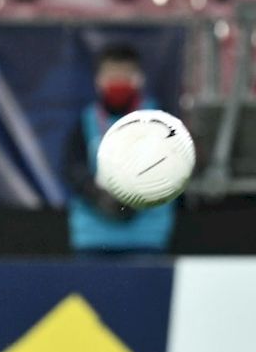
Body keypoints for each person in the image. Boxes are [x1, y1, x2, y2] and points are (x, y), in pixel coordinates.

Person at [66, 44, 175, 252]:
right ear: (98, 80)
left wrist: (140, 196)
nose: (118, 81)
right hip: (93, 238)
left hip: (147, 238)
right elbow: (73, 169)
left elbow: (174, 168)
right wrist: (97, 196)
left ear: (139, 78)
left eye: (125, 74)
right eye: (112, 74)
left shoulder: (161, 121)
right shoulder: (86, 120)